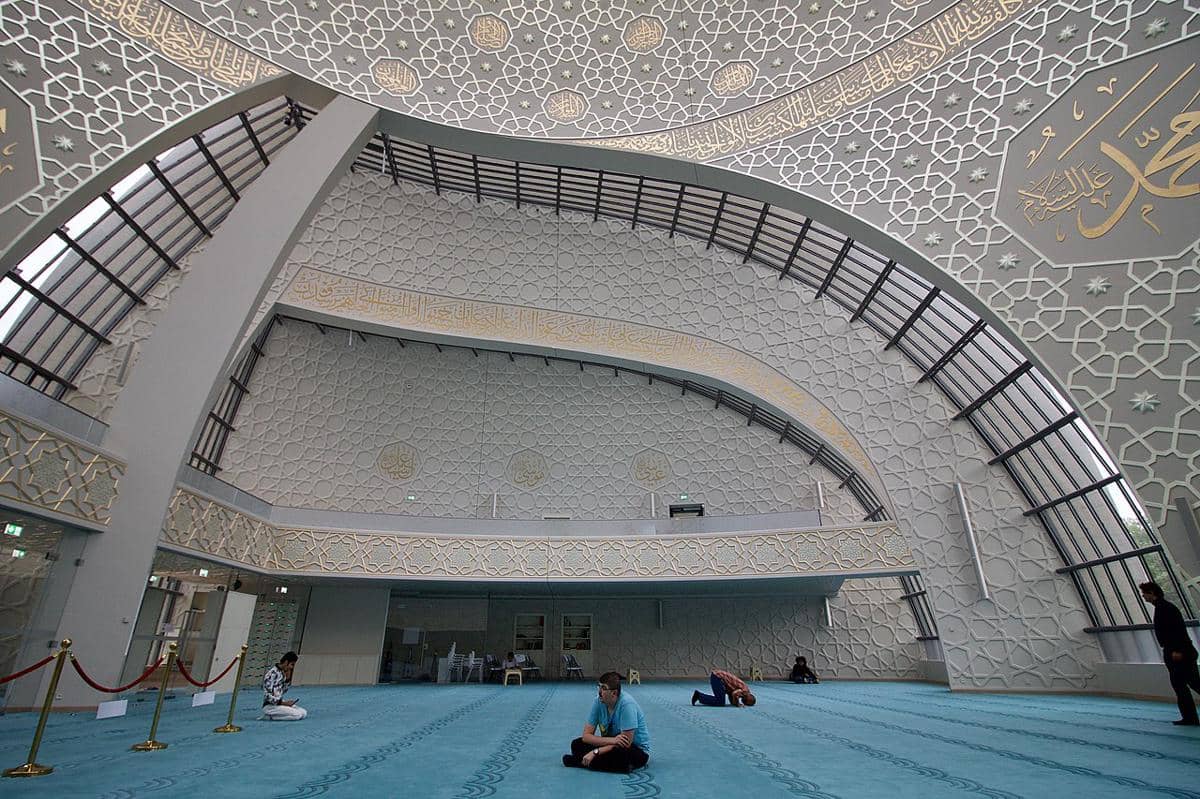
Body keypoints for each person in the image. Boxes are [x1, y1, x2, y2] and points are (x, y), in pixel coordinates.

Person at [563, 671, 651, 773]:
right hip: (612, 743)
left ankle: (579, 762)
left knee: (620, 755)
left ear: (614, 693)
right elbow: (586, 736)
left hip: (634, 749)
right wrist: (612, 741)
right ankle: (602, 764)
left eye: (603, 688)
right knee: (576, 744)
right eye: (599, 687)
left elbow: (625, 744)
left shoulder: (627, 705)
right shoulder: (598, 701)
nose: (599, 691)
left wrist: (595, 752)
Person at [1140, 581, 1200, 726]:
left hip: (1179, 652)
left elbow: (1177, 631)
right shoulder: (1163, 607)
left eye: (1145, 594)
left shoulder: (1165, 608)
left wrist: (1178, 650)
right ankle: (1189, 717)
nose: (1143, 597)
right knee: (1188, 683)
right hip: (1178, 651)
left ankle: (1190, 717)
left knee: (1186, 684)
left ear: (1152, 593)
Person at [262, 651, 306, 721]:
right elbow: (268, 696)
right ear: (286, 662)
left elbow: (283, 691)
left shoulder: (282, 673)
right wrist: (283, 703)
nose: (292, 667)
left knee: (303, 713)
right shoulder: (271, 674)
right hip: (270, 706)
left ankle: (274, 715)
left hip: (279, 704)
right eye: (292, 664)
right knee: (297, 715)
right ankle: (270, 716)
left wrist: (287, 680)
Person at [692, 669, 756, 707]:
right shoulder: (745, 691)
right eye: (747, 702)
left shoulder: (744, 691)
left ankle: (699, 696)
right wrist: (737, 704)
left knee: (720, 701)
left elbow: (731, 695)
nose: (745, 703)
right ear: (749, 697)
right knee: (720, 702)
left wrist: (734, 703)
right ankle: (699, 696)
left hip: (717, 676)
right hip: (718, 677)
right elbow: (734, 693)